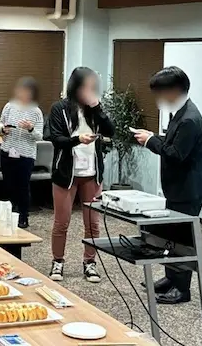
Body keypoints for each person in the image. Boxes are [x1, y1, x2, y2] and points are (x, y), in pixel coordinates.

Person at [133, 66, 202, 305]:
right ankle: (171, 278)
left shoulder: (189, 119)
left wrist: (150, 141)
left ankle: (182, 289)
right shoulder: (180, 112)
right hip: (179, 187)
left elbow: (176, 154)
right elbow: (171, 143)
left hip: (189, 189)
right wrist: (153, 136)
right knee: (171, 235)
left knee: (183, 239)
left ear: (173, 91)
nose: (157, 98)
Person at [45, 66, 115, 283]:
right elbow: (56, 139)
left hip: (92, 174)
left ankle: (90, 263)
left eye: (92, 87)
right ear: (76, 86)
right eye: (86, 86)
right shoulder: (60, 108)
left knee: (93, 224)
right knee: (61, 222)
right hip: (66, 174)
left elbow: (110, 131)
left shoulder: (95, 109)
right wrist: (77, 140)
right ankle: (57, 261)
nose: (89, 90)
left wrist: (97, 107)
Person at [0, 77, 44, 229]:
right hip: (7, 150)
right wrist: (3, 129)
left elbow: (40, 136)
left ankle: (23, 216)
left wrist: (30, 128)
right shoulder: (9, 106)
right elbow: (0, 123)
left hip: (26, 154)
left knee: (22, 186)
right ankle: (8, 215)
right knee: (8, 185)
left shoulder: (36, 111)